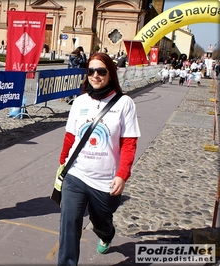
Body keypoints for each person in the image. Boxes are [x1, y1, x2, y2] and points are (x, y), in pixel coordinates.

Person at [57, 53, 140, 265]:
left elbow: (129, 144)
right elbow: (70, 135)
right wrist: (63, 162)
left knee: (101, 221)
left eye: (101, 71)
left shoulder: (125, 103)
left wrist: (122, 175)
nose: (95, 75)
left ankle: (106, 233)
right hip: (76, 173)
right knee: (69, 222)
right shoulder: (80, 101)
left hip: (106, 180)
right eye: (91, 71)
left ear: (111, 74)